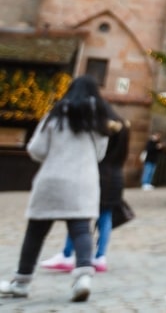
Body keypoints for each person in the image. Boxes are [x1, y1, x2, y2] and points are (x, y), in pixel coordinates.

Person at [0, 75, 113, 303]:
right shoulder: (100, 121)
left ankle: (21, 281)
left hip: (53, 179)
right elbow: (100, 154)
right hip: (83, 180)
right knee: (82, 229)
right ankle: (82, 278)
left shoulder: (55, 114)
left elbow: (37, 149)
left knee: (35, 233)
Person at [40, 111, 130, 273]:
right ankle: (100, 257)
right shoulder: (124, 127)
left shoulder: (103, 128)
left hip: (98, 175)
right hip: (116, 176)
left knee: (80, 216)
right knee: (105, 217)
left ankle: (67, 254)